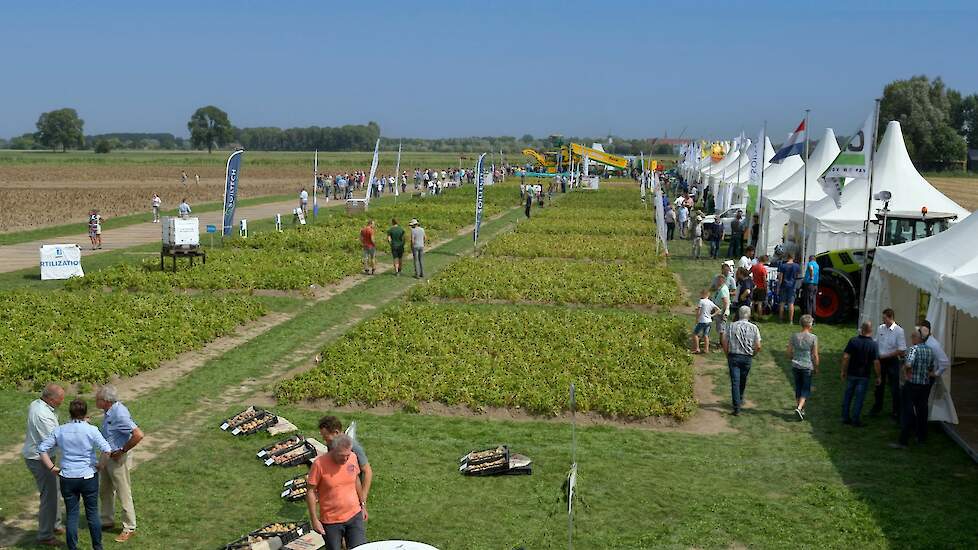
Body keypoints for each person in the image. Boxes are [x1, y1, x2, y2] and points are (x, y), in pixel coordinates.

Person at [37, 399, 112, 550]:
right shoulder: (91, 429)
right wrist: (101, 465)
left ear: (70, 413)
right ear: (86, 413)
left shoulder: (60, 430)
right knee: (92, 513)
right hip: (88, 477)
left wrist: (52, 468)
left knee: (72, 515)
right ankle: (97, 547)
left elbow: (42, 449)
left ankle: (72, 547)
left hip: (68, 477)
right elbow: (107, 449)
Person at [96, 386, 142, 543]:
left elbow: (138, 435)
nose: (96, 401)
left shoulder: (119, 414)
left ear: (106, 401)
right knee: (105, 490)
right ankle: (107, 520)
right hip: (108, 455)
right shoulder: (110, 411)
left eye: (98, 399)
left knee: (123, 492)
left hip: (117, 458)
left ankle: (129, 527)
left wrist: (122, 450)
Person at [306, 434, 367, 550]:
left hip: (355, 515)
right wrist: (314, 519)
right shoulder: (319, 465)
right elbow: (310, 492)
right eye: (341, 456)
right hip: (331, 521)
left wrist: (363, 504)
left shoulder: (353, 457)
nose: (345, 459)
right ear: (333, 450)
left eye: (347, 455)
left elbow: (356, 480)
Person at [23, 383, 66, 547]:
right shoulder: (42, 415)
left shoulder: (37, 404)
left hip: (40, 456)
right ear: (50, 398)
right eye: (59, 400)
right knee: (49, 497)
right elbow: (55, 439)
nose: (61, 402)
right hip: (40, 460)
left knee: (54, 491)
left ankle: (54, 524)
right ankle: (45, 535)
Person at [892, 329, 937, 449]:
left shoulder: (913, 349)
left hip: (912, 385)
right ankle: (921, 438)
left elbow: (908, 364)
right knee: (922, 411)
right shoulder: (930, 350)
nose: (911, 339)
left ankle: (903, 441)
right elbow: (931, 368)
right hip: (924, 385)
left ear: (917, 338)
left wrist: (906, 374)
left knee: (907, 411)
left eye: (912, 337)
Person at [317, 416, 373, 505]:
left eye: (326, 437)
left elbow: (367, 471)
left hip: (353, 483)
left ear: (336, 432)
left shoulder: (353, 447)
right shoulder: (331, 443)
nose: (325, 441)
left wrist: (363, 497)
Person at [722, 306, 762, 415]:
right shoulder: (754, 328)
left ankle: (736, 407)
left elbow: (724, 342)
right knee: (743, 380)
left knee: (735, 381)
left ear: (739, 314)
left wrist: (727, 354)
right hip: (747, 357)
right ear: (749, 315)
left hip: (733, 356)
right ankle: (739, 399)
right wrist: (752, 355)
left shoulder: (731, 326)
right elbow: (758, 346)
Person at [841, 321, 882, 427]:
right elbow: (876, 362)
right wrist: (878, 376)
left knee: (848, 396)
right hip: (864, 376)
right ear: (871, 331)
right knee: (859, 398)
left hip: (851, 374)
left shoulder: (853, 341)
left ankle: (845, 417)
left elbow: (846, 357)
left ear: (861, 329)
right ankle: (855, 419)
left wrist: (843, 371)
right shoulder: (873, 345)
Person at [871, 308, 906, 420]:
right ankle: (877, 407)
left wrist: (886, 356)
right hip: (881, 361)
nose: (883, 320)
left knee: (894, 387)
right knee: (879, 385)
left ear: (890, 317)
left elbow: (901, 350)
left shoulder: (899, 331)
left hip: (892, 362)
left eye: (884, 318)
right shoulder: (880, 328)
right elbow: (876, 342)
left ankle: (896, 411)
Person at [788, 315, 820, 420]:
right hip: (807, 366)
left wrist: (793, 357)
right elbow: (815, 355)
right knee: (806, 388)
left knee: (798, 386)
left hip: (796, 365)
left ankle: (800, 410)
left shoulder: (794, 336)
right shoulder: (813, 338)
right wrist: (816, 367)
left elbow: (789, 352)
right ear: (810, 325)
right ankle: (799, 407)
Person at [692, 289, 720, 354]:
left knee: (695, 334)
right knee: (705, 335)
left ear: (702, 294)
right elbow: (718, 310)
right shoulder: (710, 302)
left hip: (702, 320)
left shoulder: (701, 301)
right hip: (709, 320)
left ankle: (697, 348)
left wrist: (697, 319)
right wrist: (712, 315)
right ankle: (706, 349)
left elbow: (698, 312)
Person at [778, 254, 800, 324]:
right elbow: (797, 275)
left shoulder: (783, 266)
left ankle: (781, 319)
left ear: (787, 257)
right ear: (792, 257)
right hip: (792, 286)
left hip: (784, 285)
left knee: (782, 303)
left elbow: (780, 277)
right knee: (791, 304)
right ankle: (791, 321)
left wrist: (778, 286)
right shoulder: (796, 266)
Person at [711, 274, 730, 350]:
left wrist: (723, 313)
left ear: (721, 281)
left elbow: (725, 302)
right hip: (718, 310)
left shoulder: (723, 290)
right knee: (720, 329)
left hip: (721, 312)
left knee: (721, 330)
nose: (716, 282)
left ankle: (722, 345)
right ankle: (721, 343)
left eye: (718, 280)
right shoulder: (721, 288)